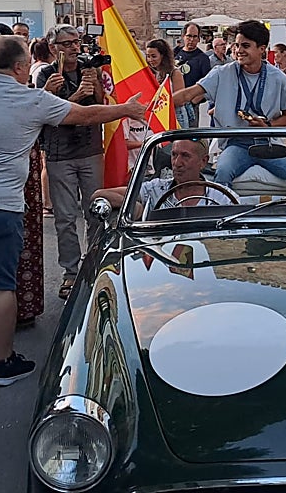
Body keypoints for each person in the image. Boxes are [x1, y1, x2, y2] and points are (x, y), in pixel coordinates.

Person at [0, 36, 147, 388]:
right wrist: (127, 109)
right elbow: (86, 114)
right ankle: (4, 364)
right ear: (21, 67)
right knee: (2, 285)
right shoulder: (32, 99)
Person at [174, 19, 286, 192]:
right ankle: (223, 216)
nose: (238, 51)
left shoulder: (278, 77)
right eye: (236, 45)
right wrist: (156, 105)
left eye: (245, 46)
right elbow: (190, 94)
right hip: (236, 144)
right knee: (222, 174)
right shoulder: (222, 73)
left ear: (262, 49)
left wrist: (268, 125)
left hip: (267, 144)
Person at [32, 25, 107, 300]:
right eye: (66, 44)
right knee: (64, 217)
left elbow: (100, 103)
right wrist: (74, 97)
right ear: (54, 48)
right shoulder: (45, 74)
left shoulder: (88, 67)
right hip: (60, 153)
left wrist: (96, 82)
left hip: (90, 149)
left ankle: (97, 261)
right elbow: (48, 113)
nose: (74, 48)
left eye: (76, 42)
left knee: (96, 211)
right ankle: (71, 271)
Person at [94, 138, 229, 213]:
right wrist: (135, 208)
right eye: (174, 155)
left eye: (185, 156)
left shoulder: (222, 197)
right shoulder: (154, 189)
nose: (177, 163)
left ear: (203, 161)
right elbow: (99, 194)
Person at [145, 38, 192, 129]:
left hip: (176, 116)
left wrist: (159, 103)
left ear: (163, 56)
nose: (150, 59)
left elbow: (180, 100)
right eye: (148, 56)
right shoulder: (151, 73)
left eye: (154, 56)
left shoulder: (175, 72)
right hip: (158, 115)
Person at [175, 22, 211, 125]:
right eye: (189, 36)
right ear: (183, 36)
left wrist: (193, 102)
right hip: (174, 102)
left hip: (191, 105)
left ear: (199, 39)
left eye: (195, 37)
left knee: (190, 137)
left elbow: (207, 84)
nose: (191, 40)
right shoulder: (175, 53)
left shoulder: (203, 58)